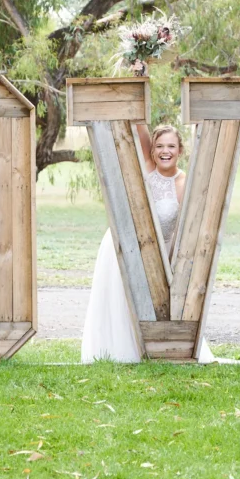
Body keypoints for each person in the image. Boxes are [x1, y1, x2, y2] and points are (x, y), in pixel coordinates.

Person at [81, 124, 216, 363]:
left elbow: (185, 229)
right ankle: (116, 352)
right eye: (160, 146)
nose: (165, 151)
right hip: (121, 246)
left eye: (171, 146)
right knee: (118, 302)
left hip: (160, 255)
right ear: (152, 151)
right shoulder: (146, 170)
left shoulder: (185, 183)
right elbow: (139, 125)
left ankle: (158, 350)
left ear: (180, 150)